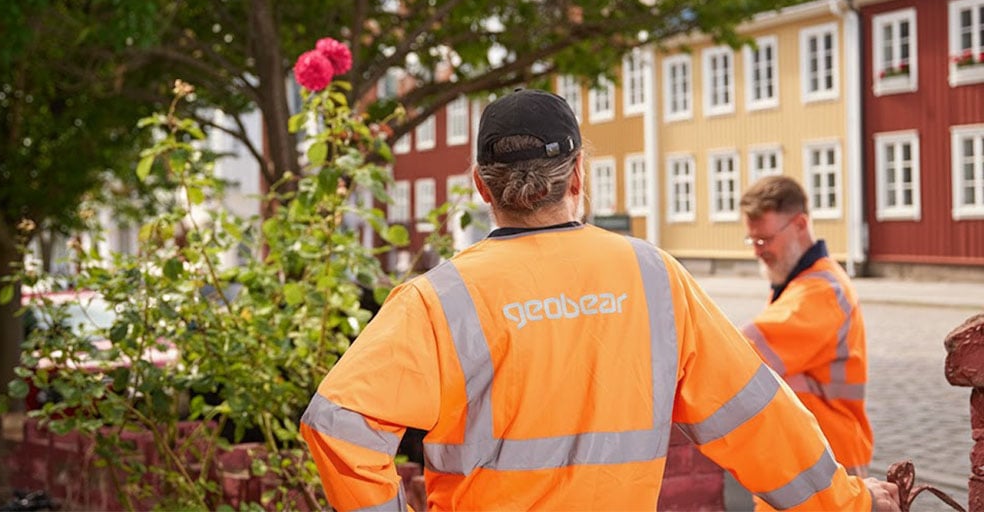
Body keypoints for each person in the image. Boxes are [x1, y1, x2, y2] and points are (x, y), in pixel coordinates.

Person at [299, 89, 899, 511]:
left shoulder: (440, 298)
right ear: (579, 175)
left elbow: (338, 424)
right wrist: (848, 503)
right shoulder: (654, 276)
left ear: (480, 185)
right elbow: (756, 417)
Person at [739, 176, 874, 477]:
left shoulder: (822, 292)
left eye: (764, 239)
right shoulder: (796, 283)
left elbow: (743, 355)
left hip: (826, 468)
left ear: (800, 224)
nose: (757, 250)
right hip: (808, 463)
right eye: (752, 240)